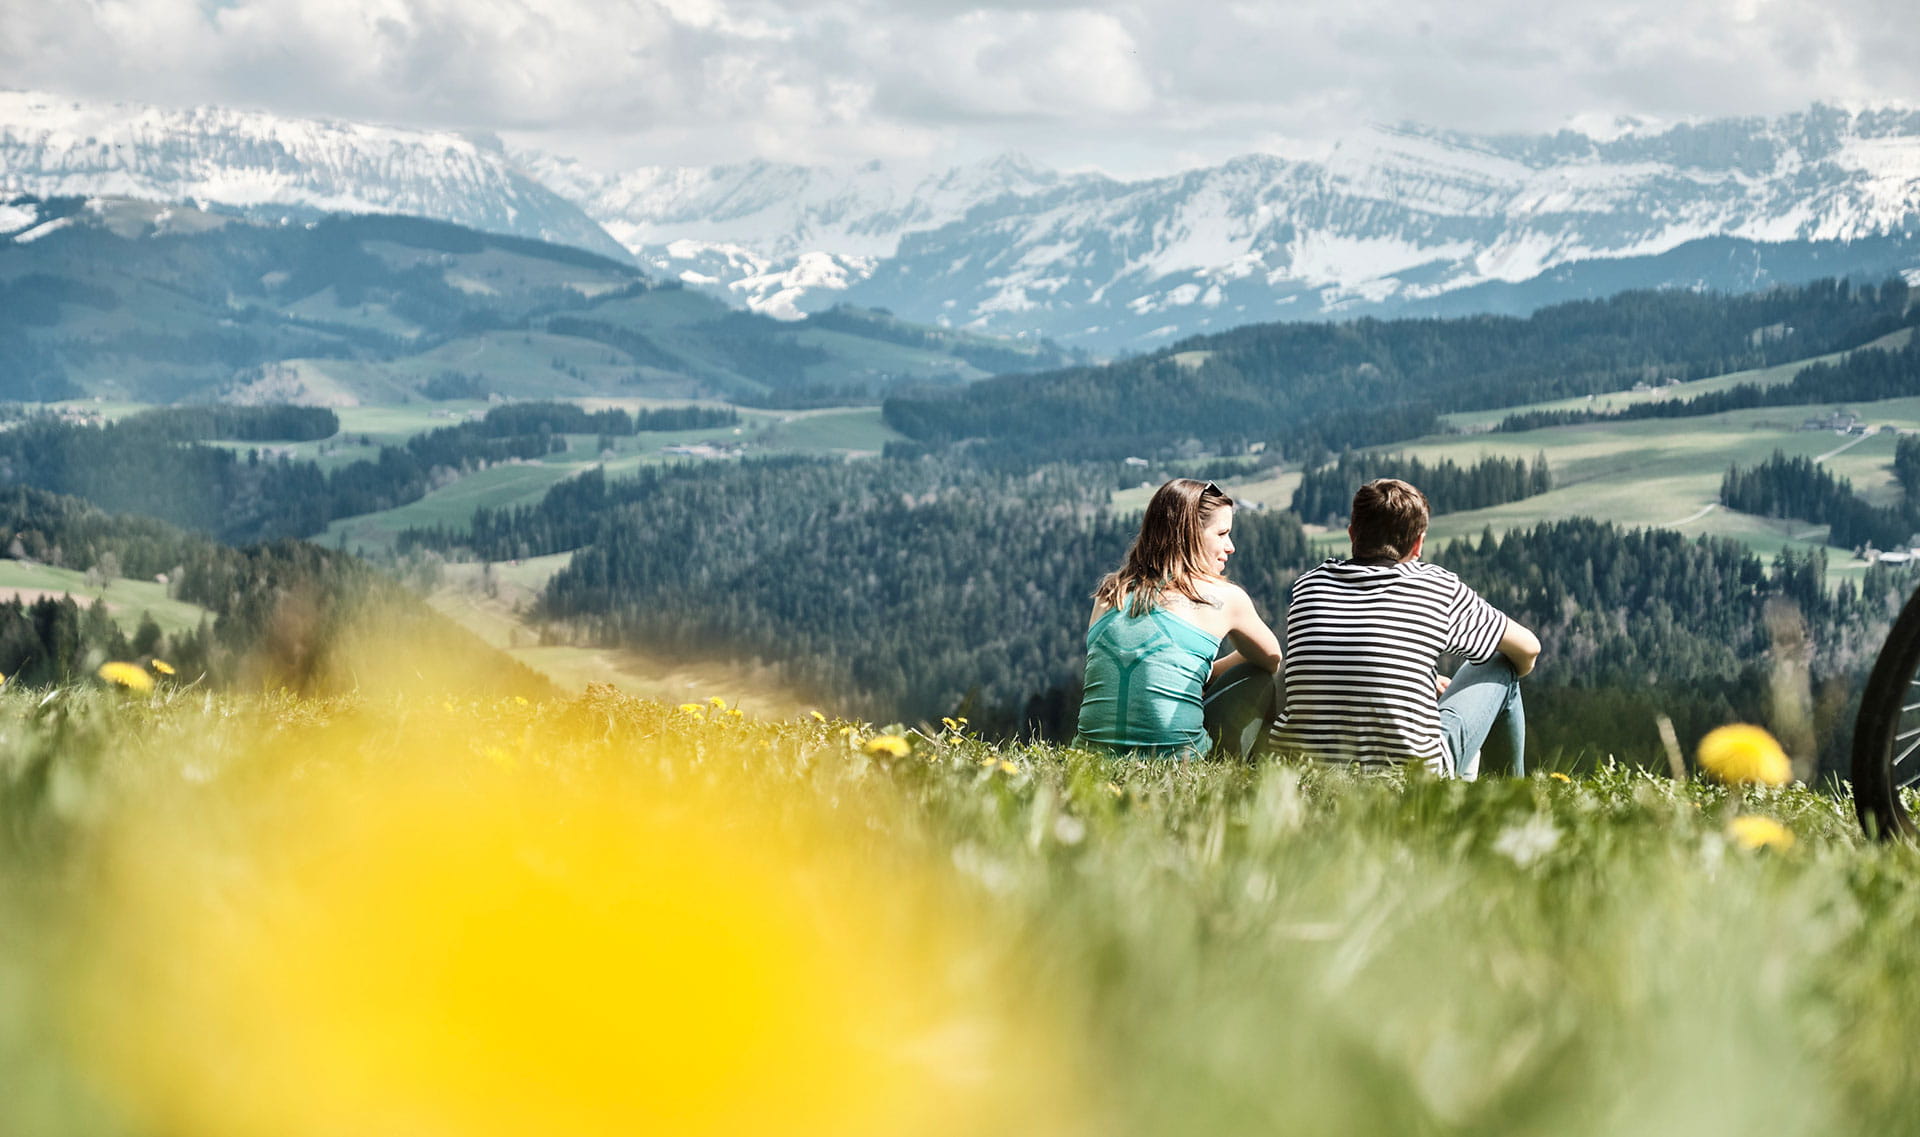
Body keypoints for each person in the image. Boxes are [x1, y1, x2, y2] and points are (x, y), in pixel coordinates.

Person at [1269, 478, 1539, 777]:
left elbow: (1356, 653)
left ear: (1352, 533)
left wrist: (1417, 680)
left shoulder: (1310, 584)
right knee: (1502, 662)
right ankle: (1512, 797)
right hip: (1410, 777)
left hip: (1304, 773)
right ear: (1418, 544)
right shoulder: (1436, 586)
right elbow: (1529, 648)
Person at [1076, 479, 1283, 759]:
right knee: (1262, 678)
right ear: (1191, 535)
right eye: (1222, 534)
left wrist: (1199, 672)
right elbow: (1271, 658)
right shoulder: (1224, 597)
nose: (1230, 547)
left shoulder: (1110, 593)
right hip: (1181, 763)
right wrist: (1209, 673)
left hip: (1089, 760)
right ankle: (1250, 773)